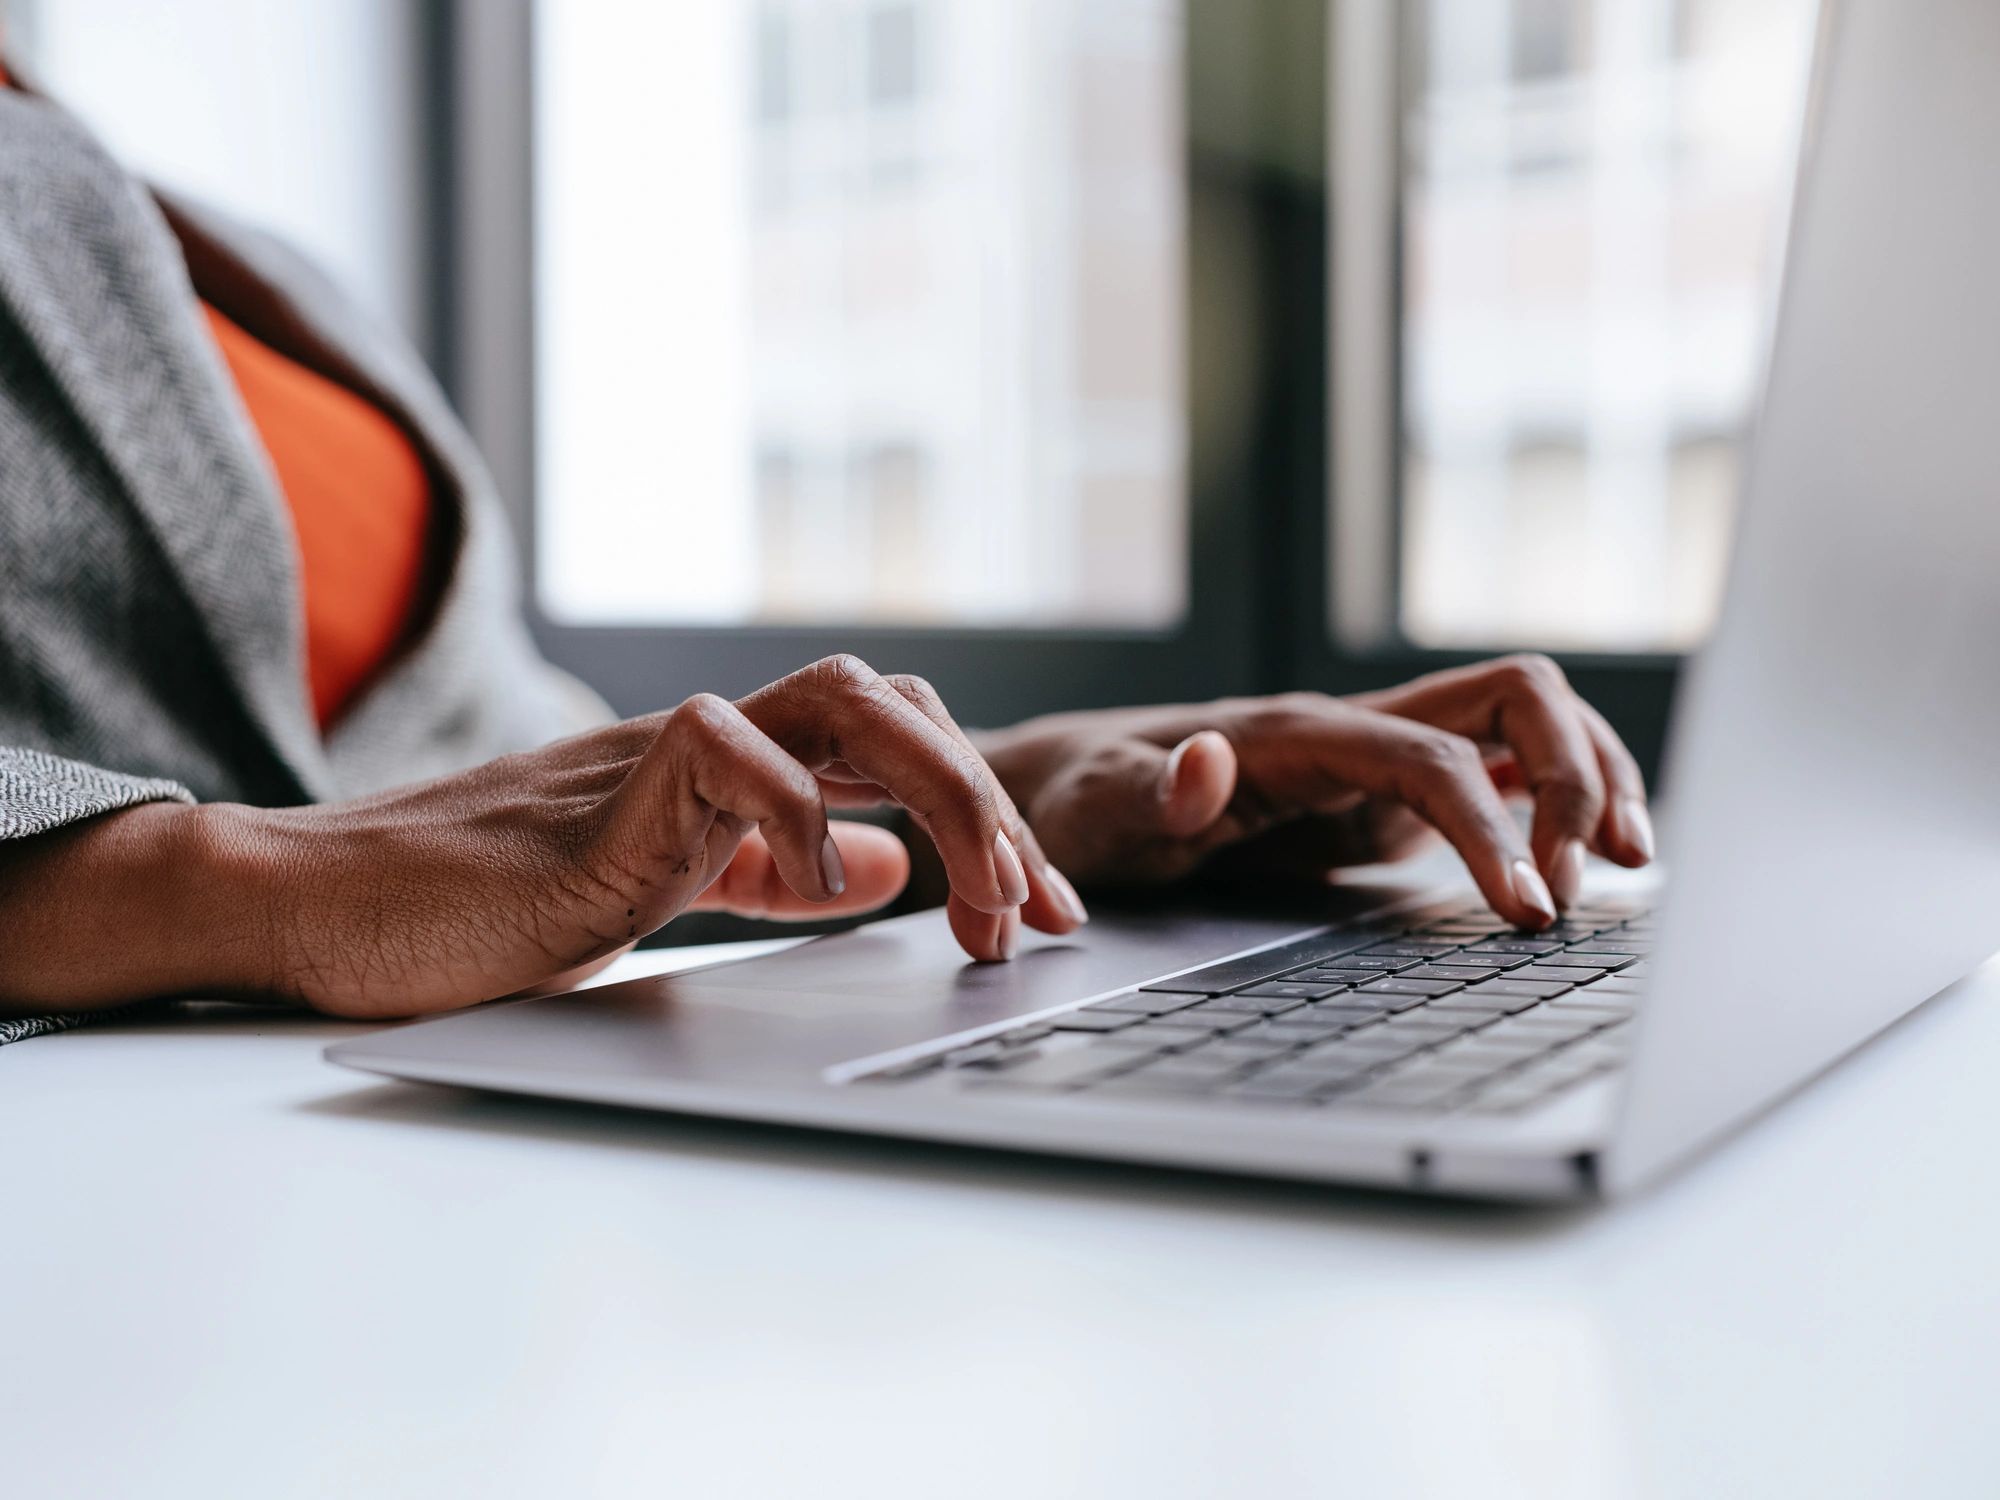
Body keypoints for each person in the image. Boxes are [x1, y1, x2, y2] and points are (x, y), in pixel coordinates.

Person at [0, 58, 1653, 1037]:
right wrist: (224, 882)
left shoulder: (197, 228)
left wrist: (1015, 802)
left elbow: (508, 815)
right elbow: (390, 861)